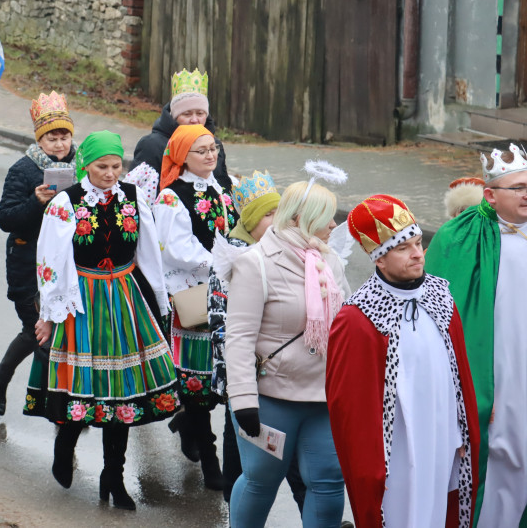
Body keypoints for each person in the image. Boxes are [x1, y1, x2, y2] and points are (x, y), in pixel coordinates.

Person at [24, 130, 178, 510]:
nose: (110, 174)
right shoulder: (65, 203)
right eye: (101, 166)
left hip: (124, 298)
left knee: (121, 391)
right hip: (83, 301)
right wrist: (49, 313)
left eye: (116, 166)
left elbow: (149, 252)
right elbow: (51, 262)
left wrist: (160, 298)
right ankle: (66, 442)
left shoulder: (133, 196)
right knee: (86, 384)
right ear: (85, 166)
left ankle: (114, 476)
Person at [327, 194, 479, 527]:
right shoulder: (358, 318)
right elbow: (348, 407)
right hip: (395, 452)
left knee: (439, 512)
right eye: (402, 247)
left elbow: (459, 376)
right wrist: (369, 465)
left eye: (418, 242)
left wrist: (462, 432)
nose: (417, 254)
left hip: (441, 439)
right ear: (379, 259)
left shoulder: (441, 298)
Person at [224, 178, 349, 527]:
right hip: (271, 398)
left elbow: (346, 324)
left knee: (328, 482)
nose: (333, 225)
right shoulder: (256, 263)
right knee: (261, 480)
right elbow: (238, 338)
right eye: (326, 216)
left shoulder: (330, 261)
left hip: (323, 397)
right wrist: (244, 401)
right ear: (298, 218)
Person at [425, 144, 527, 526]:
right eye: (516, 187)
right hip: (497, 378)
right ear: (490, 195)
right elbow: (442, 317)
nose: (526, 194)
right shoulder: (462, 237)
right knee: (501, 462)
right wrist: (471, 389)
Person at [208, 171, 308, 511]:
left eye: (278, 212)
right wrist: (239, 373)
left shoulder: (282, 246)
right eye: (267, 215)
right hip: (244, 371)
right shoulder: (235, 254)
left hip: (279, 371)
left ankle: (309, 504)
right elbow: (223, 321)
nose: (276, 220)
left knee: (287, 449)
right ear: (249, 221)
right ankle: (236, 502)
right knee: (244, 441)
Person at [152, 123, 238, 491]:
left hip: (228, 291)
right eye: (201, 150)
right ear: (183, 157)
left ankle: (188, 426)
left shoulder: (221, 186)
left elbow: (236, 228)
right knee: (198, 382)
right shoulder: (171, 197)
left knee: (226, 378)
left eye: (213, 147)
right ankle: (209, 460)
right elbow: (177, 249)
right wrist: (223, 263)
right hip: (195, 295)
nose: (210, 155)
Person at [0, 91, 75, 416]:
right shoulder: (23, 169)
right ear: (40, 139)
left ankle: (1, 377)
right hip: (28, 264)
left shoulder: (80, 167)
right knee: (40, 332)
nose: (59, 144)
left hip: (66, 265)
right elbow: (5, 218)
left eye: (64, 136)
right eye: (52, 138)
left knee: (47, 333)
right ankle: (49, 403)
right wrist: (35, 202)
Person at [132, 68, 230, 189]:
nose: (195, 120)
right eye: (187, 114)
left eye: (200, 113)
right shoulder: (151, 145)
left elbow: (223, 185)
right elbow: (139, 193)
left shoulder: (214, 145)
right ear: (174, 116)